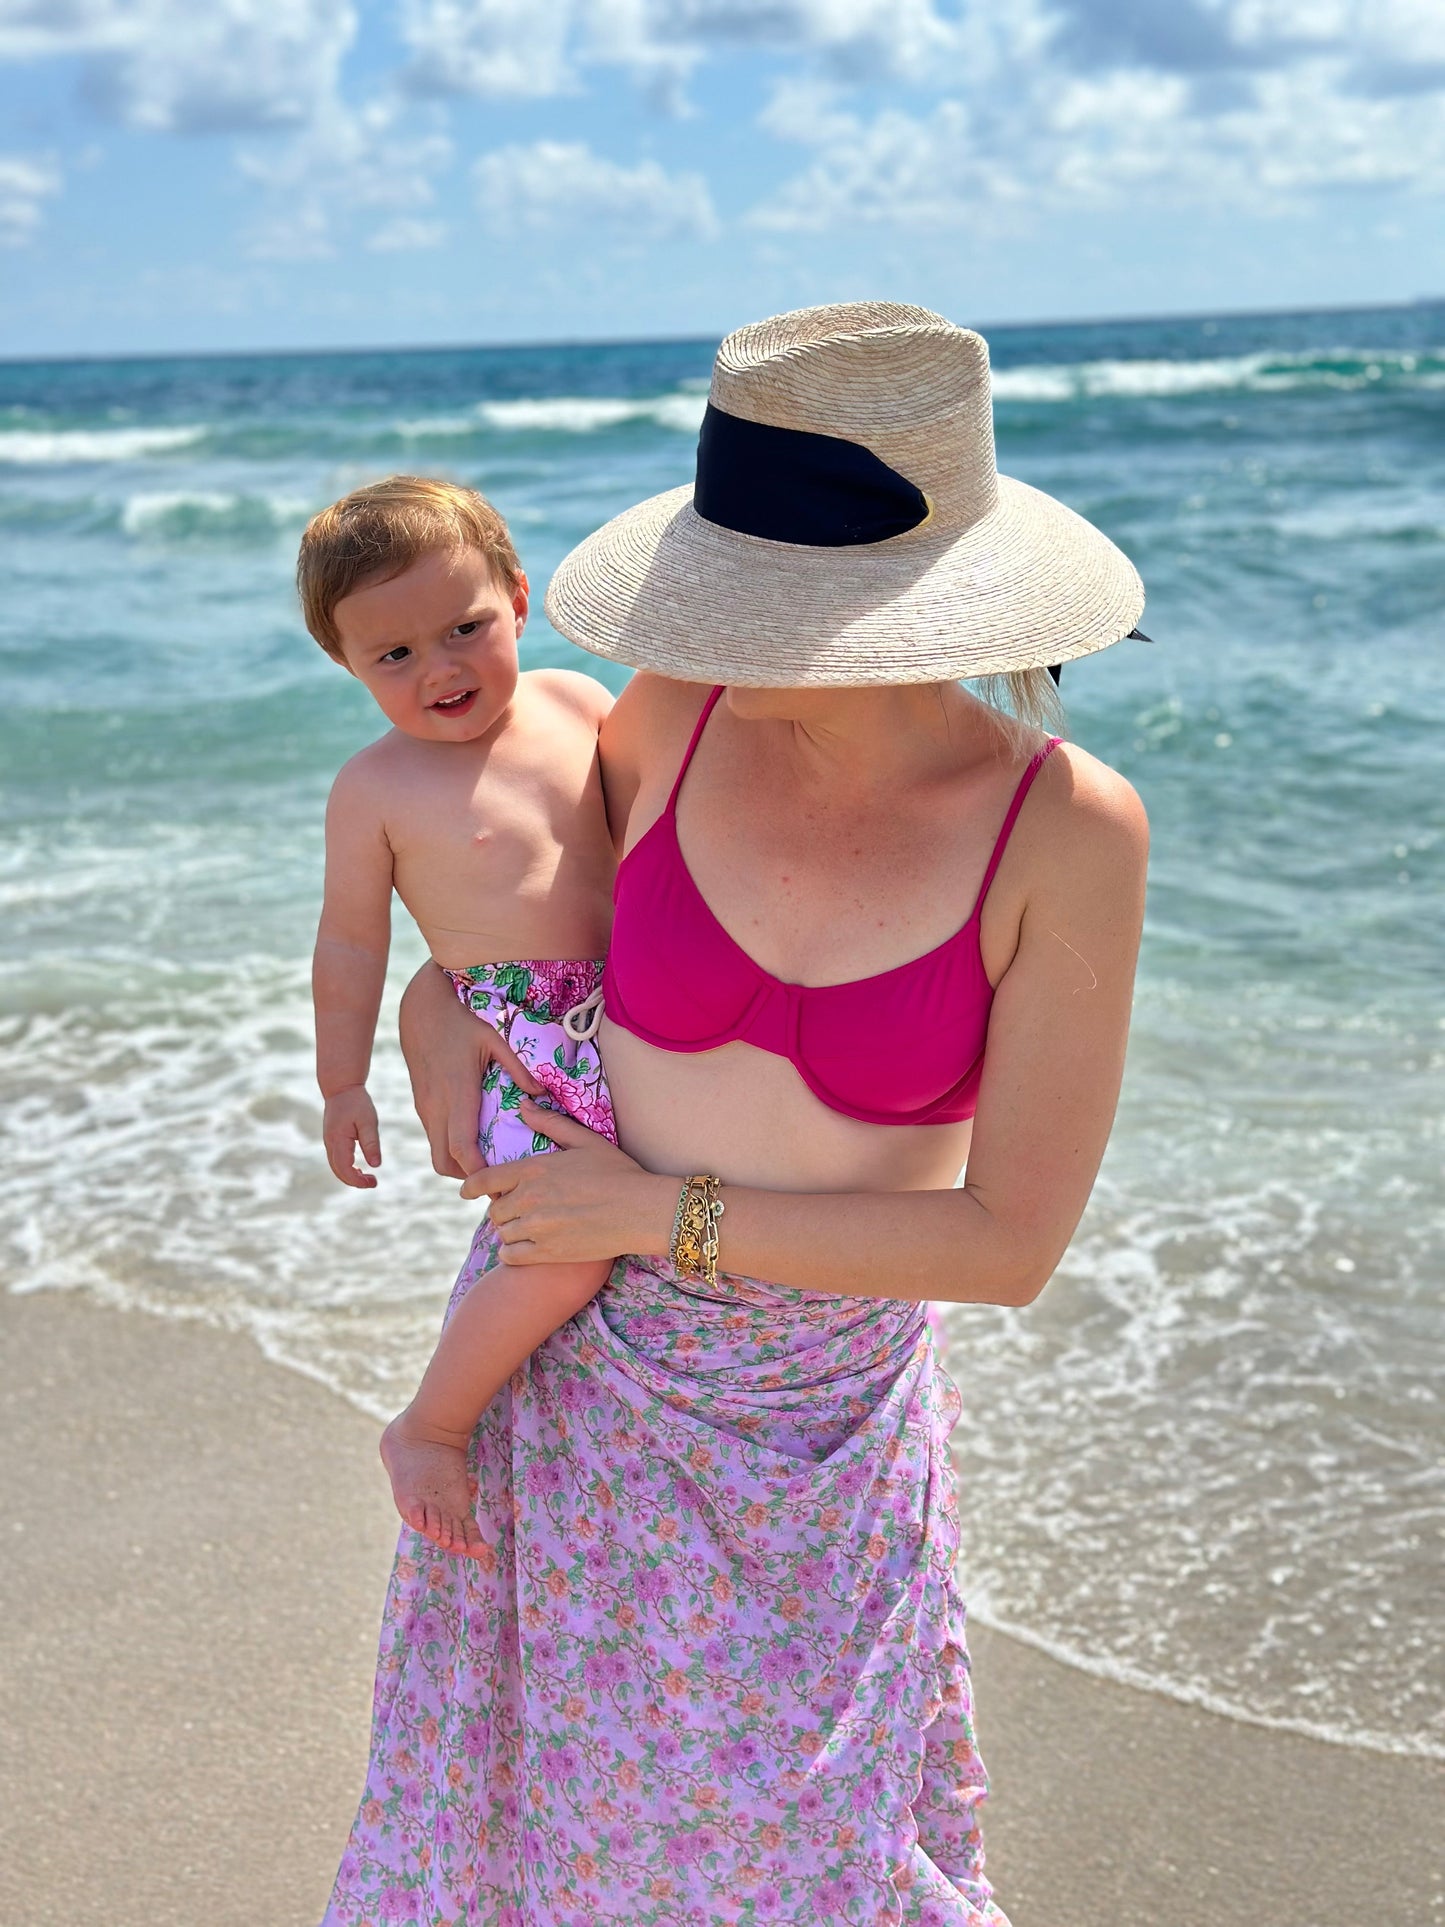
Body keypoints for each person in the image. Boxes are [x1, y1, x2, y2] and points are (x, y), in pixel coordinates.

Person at [321, 303, 1150, 1926]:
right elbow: (533, 932)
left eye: (761, 602)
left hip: (814, 1425)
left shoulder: (1064, 830)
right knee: (529, 1823)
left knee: (793, 1852)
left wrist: (662, 1217)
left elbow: (1010, 1242)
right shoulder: (674, 711)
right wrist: (435, 1006)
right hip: (566, 1359)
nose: (715, 630)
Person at [299, 475, 620, 1558]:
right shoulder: (375, 788)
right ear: (347, 665)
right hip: (516, 1041)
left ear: (518, 598)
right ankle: (430, 1425)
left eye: (464, 627)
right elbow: (350, 943)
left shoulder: (579, 703)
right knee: (562, 1251)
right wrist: (342, 1083)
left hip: (629, 1010)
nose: (438, 668)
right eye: (392, 656)